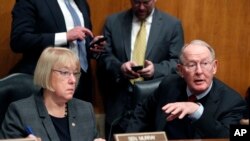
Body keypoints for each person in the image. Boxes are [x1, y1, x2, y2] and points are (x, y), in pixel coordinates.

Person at [126, 40, 247, 139]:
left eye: (205, 63)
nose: (199, 71)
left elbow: (227, 136)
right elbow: (142, 112)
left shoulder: (232, 101)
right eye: (191, 65)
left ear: (214, 67)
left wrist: (197, 112)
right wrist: (128, 138)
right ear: (181, 70)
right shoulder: (169, 84)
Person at [97, 0, 184, 138]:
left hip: (154, 103)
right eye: (137, 2)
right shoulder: (113, 22)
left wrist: (155, 70)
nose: (141, 7)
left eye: (146, 2)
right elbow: (103, 56)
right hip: (119, 104)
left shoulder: (172, 25)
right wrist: (120, 67)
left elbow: (177, 63)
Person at [0, 47, 105, 141]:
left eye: (75, 73)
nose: (73, 80)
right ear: (46, 73)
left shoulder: (85, 109)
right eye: (65, 72)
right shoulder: (20, 112)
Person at [9, 0, 105, 102]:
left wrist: (92, 46)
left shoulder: (82, 3)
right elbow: (19, 40)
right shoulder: (31, 1)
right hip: (47, 84)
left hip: (81, 83)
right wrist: (65, 36)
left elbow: (79, 42)